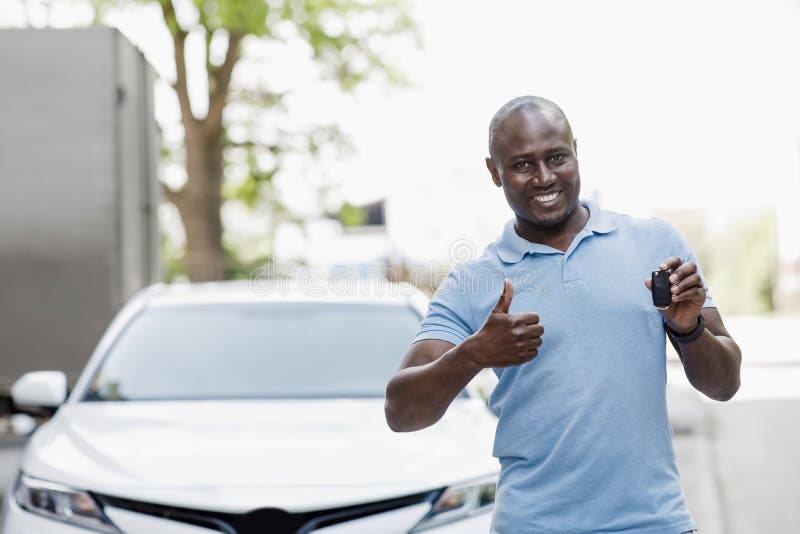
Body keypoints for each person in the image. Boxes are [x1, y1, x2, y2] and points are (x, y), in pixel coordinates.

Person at [384, 96, 742, 533]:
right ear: (494, 172)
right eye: (522, 164)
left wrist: (689, 330)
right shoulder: (474, 280)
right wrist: (473, 354)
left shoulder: (654, 244)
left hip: (654, 523)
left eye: (557, 157)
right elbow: (400, 412)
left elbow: (724, 385)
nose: (544, 177)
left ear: (576, 150)